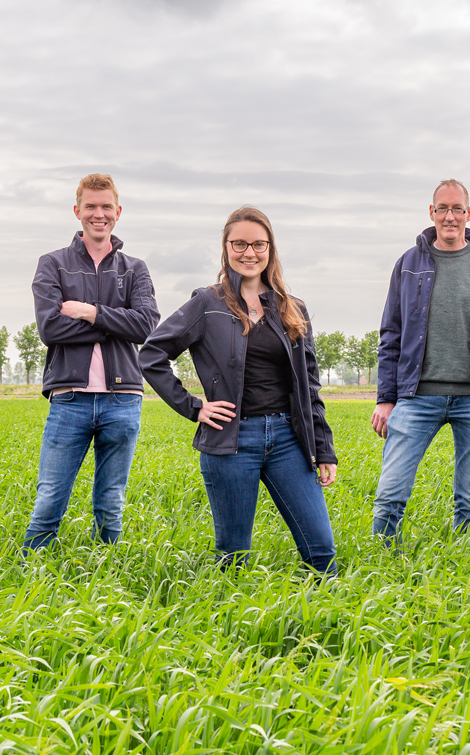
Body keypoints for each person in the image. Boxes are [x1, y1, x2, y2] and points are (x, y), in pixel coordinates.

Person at [141, 206, 339, 574]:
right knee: (233, 558)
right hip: (232, 441)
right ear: (226, 248)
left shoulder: (293, 309)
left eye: (258, 244)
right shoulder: (207, 303)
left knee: (321, 552)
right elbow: (151, 355)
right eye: (240, 244)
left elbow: (310, 385)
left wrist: (323, 449)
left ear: (270, 249)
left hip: (288, 440)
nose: (250, 253)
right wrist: (195, 407)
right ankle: (228, 610)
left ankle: (321, 610)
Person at [370, 179, 470, 545]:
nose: (450, 216)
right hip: (416, 397)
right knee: (390, 495)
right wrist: (386, 398)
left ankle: (467, 564)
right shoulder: (408, 263)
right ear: (431, 212)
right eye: (443, 208)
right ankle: (381, 562)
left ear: (469, 213)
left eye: (457, 209)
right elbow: (391, 333)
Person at [23, 173, 160, 551]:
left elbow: (146, 325)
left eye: (106, 207)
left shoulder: (135, 268)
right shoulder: (52, 264)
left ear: (118, 211)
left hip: (124, 398)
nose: (98, 214)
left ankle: (108, 569)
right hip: (70, 397)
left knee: (111, 499)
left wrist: (88, 312)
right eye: (90, 207)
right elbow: (50, 328)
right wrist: (115, 323)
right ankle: (30, 567)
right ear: (77, 211)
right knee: (50, 495)